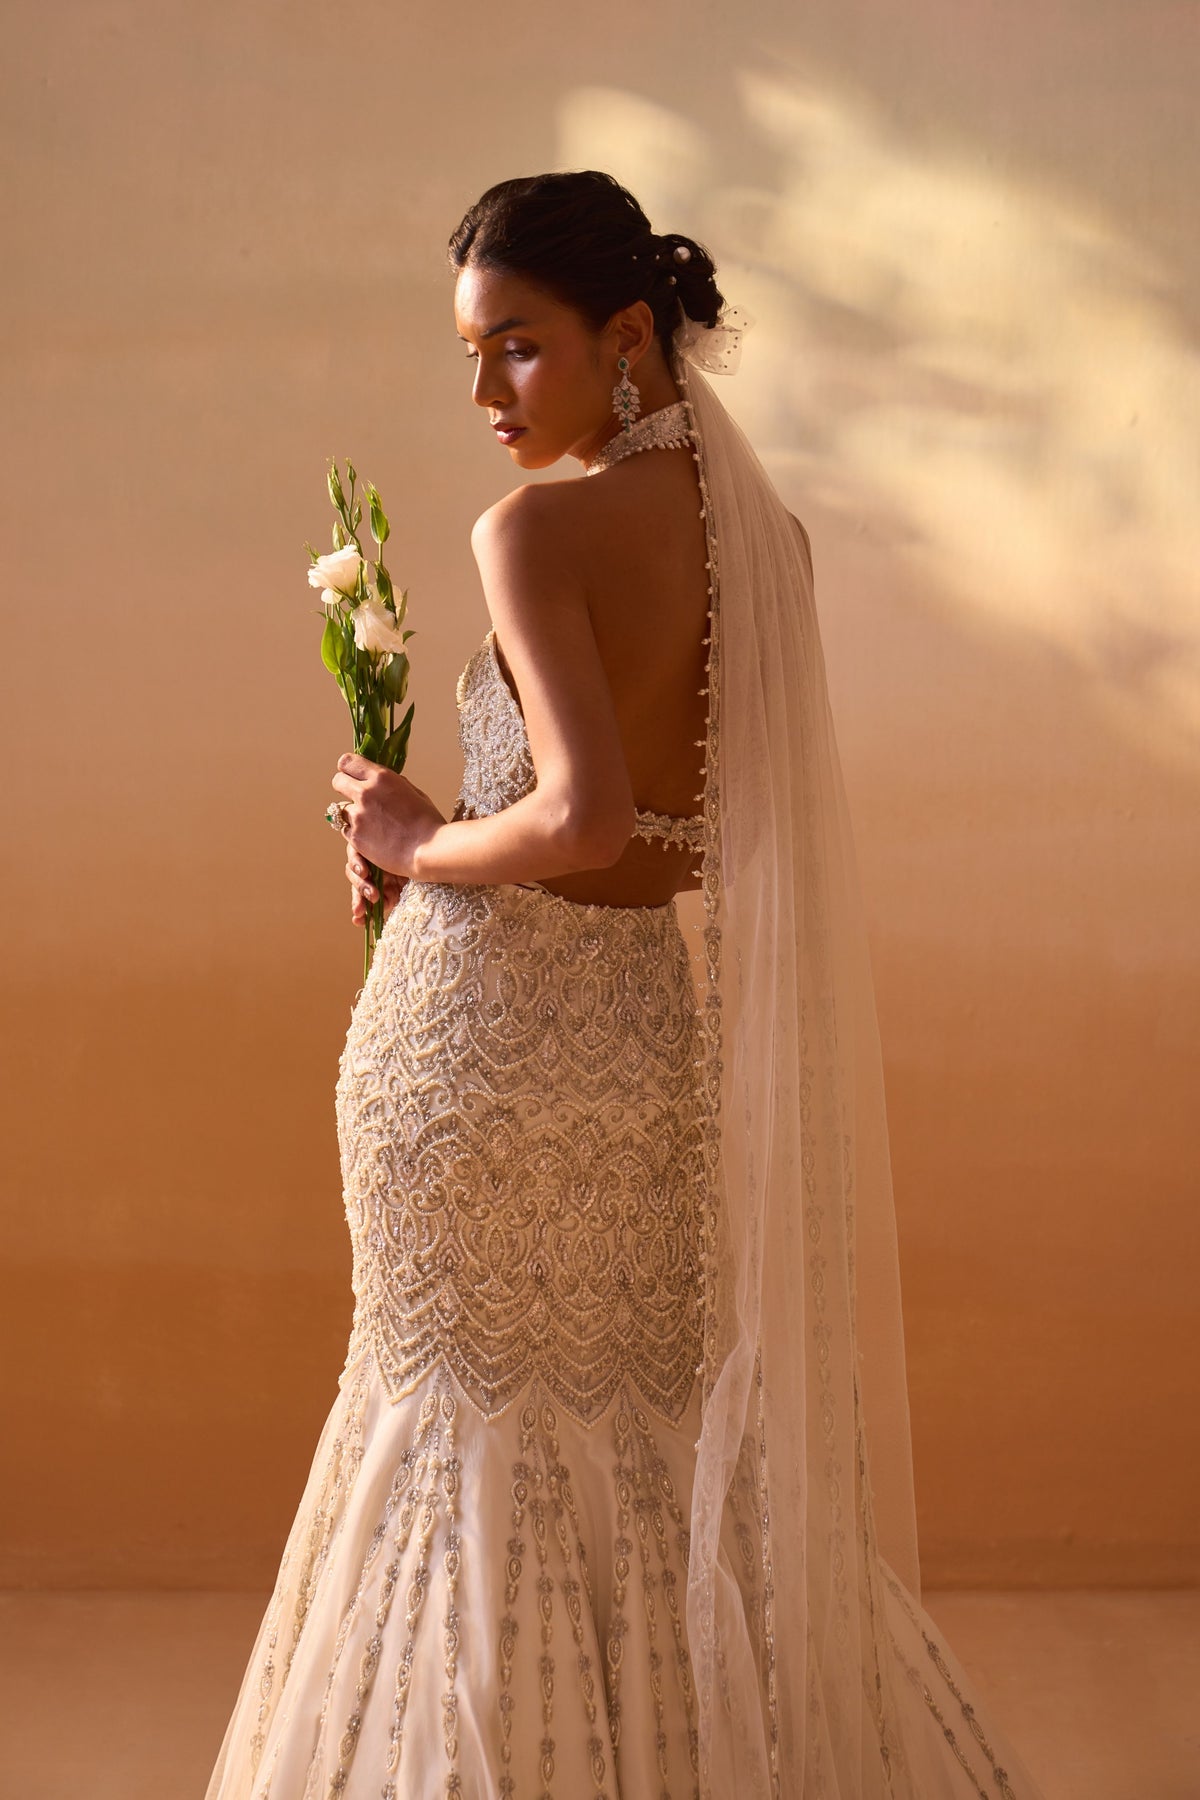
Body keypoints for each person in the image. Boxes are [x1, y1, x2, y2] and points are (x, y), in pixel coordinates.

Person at [205, 171, 1048, 1799]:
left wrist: (410, 832)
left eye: (517, 349)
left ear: (627, 336)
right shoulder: (766, 543)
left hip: (485, 1047)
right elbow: (693, 846)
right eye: (473, 353)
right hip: (644, 1042)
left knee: (457, 1433)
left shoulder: (530, 534)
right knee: (639, 1432)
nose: (484, 395)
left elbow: (578, 813)